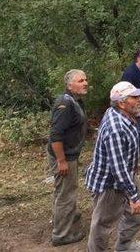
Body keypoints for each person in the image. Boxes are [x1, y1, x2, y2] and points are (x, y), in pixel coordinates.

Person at [85, 82, 140, 252]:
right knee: (103, 224)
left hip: (125, 175)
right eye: (134, 97)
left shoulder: (120, 113)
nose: (139, 99)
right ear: (122, 103)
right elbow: (118, 168)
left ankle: (124, 246)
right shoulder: (116, 129)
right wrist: (133, 197)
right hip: (110, 183)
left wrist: (135, 196)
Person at [47, 69, 89, 247]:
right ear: (69, 85)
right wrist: (61, 160)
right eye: (80, 80)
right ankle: (62, 235)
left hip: (69, 154)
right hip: (64, 156)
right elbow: (55, 135)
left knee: (63, 191)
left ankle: (64, 218)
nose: (85, 83)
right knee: (66, 194)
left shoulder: (75, 101)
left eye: (85, 79)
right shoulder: (65, 103)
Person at [121, 49, 140, 136]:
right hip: (133, 111)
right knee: (138, 134)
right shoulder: (129, 73)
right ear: (139, 59)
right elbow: (125, 94)